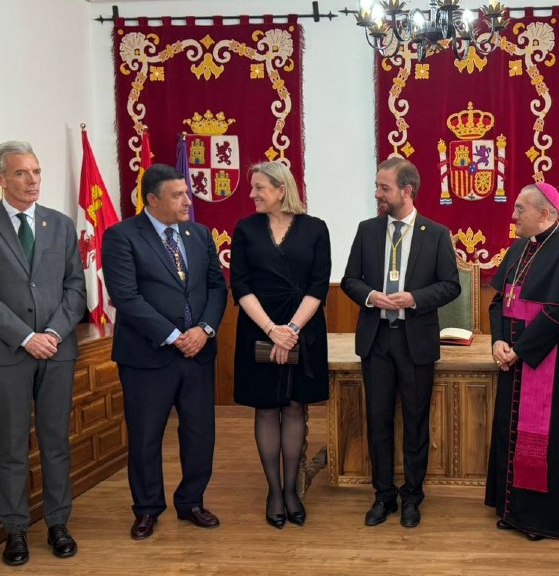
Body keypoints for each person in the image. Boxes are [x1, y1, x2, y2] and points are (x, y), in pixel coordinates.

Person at [0, 140, 86, 566]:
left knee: (55, 443)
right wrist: (25, 336)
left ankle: (57, 523)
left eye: (36, 172)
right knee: (12, 446)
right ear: (0, 178)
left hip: (57, 350)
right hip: (8, 354)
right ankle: (15, 530)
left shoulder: (61, 225)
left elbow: (75, 288)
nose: (32, 181)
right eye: (21, 173)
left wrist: (50, 332)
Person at [102, 163, 228, 540]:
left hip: (198, 352)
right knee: (145, 435)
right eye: (178, 195)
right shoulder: (121, 236)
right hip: (147, 355)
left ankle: (191, 501)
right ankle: (147, 508)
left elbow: (216, 287)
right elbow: (126, 296)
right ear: (152, 200)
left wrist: (203, 330)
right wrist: (175, 335)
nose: (188, 200)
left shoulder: (199, 234)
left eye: (186, 193)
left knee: (199, 433)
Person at [340, 157, 460, 528]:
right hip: (376, 341)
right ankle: (383, 496)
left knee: (415, 422)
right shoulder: (367, 230)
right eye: (377, 186)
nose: (377, 194)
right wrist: (372, 296)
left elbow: (450, 285)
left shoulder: (436, 233)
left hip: (415, 342)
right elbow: (349, 280)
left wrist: (414, 299)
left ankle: (412, 496)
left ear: (406, 191)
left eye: (384, 188)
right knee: (377, 420)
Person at [484, 183, 559, 541]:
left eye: (521, 209)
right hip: (514, 357)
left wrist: (521, 349)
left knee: (548, 439)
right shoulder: (519, 248)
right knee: (511, 432)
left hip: (551, 361)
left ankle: (542, 517)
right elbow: (498, 303)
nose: (514, 215)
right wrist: (500, 341)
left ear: (545, 213)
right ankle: (512, 509)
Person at [230, 161, 330, 529]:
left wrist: (291, 329)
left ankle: (292, 490)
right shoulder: (245, 229)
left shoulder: (315, 228)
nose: (252, 194)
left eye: (259, 187)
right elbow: (240, 285)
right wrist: (273, 330)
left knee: (294, 406)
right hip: (259, 328)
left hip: (303, 329)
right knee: (267, 408)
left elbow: (318, 286)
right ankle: (273, 490)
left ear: (281, 189)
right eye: (253, 187)